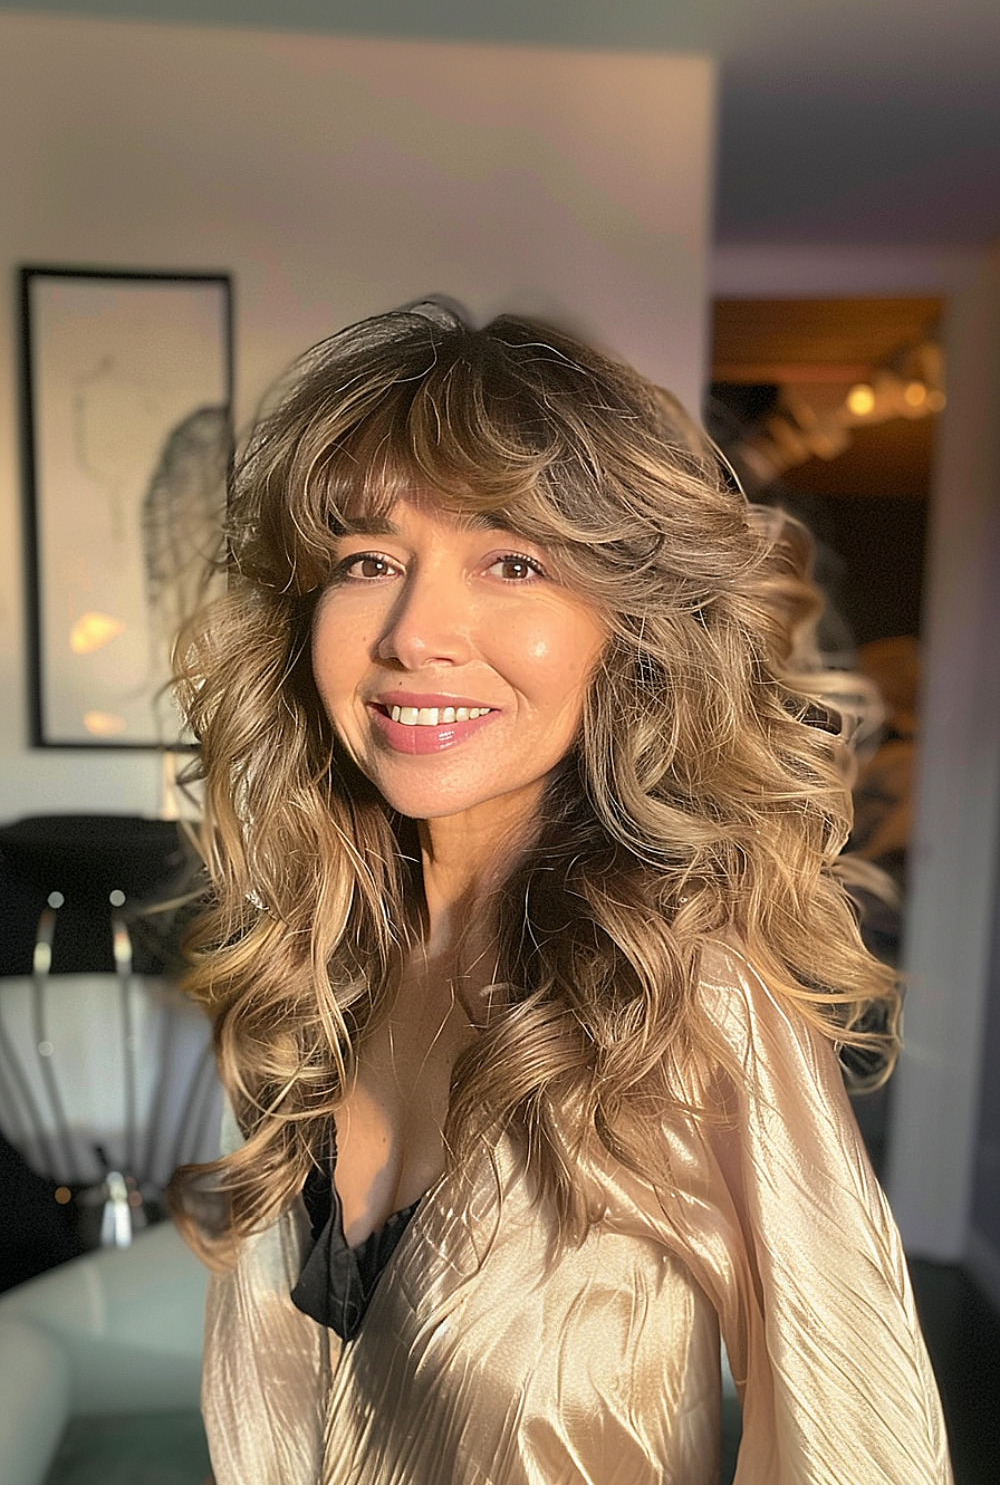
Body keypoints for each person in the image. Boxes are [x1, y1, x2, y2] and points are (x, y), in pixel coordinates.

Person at [170, 303, 952, 1485]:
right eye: (368, 562)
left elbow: (859, 1447)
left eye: (513, 562)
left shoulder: (686, 1001)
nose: (414, 633)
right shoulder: (319, 974)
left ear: (626, 631)